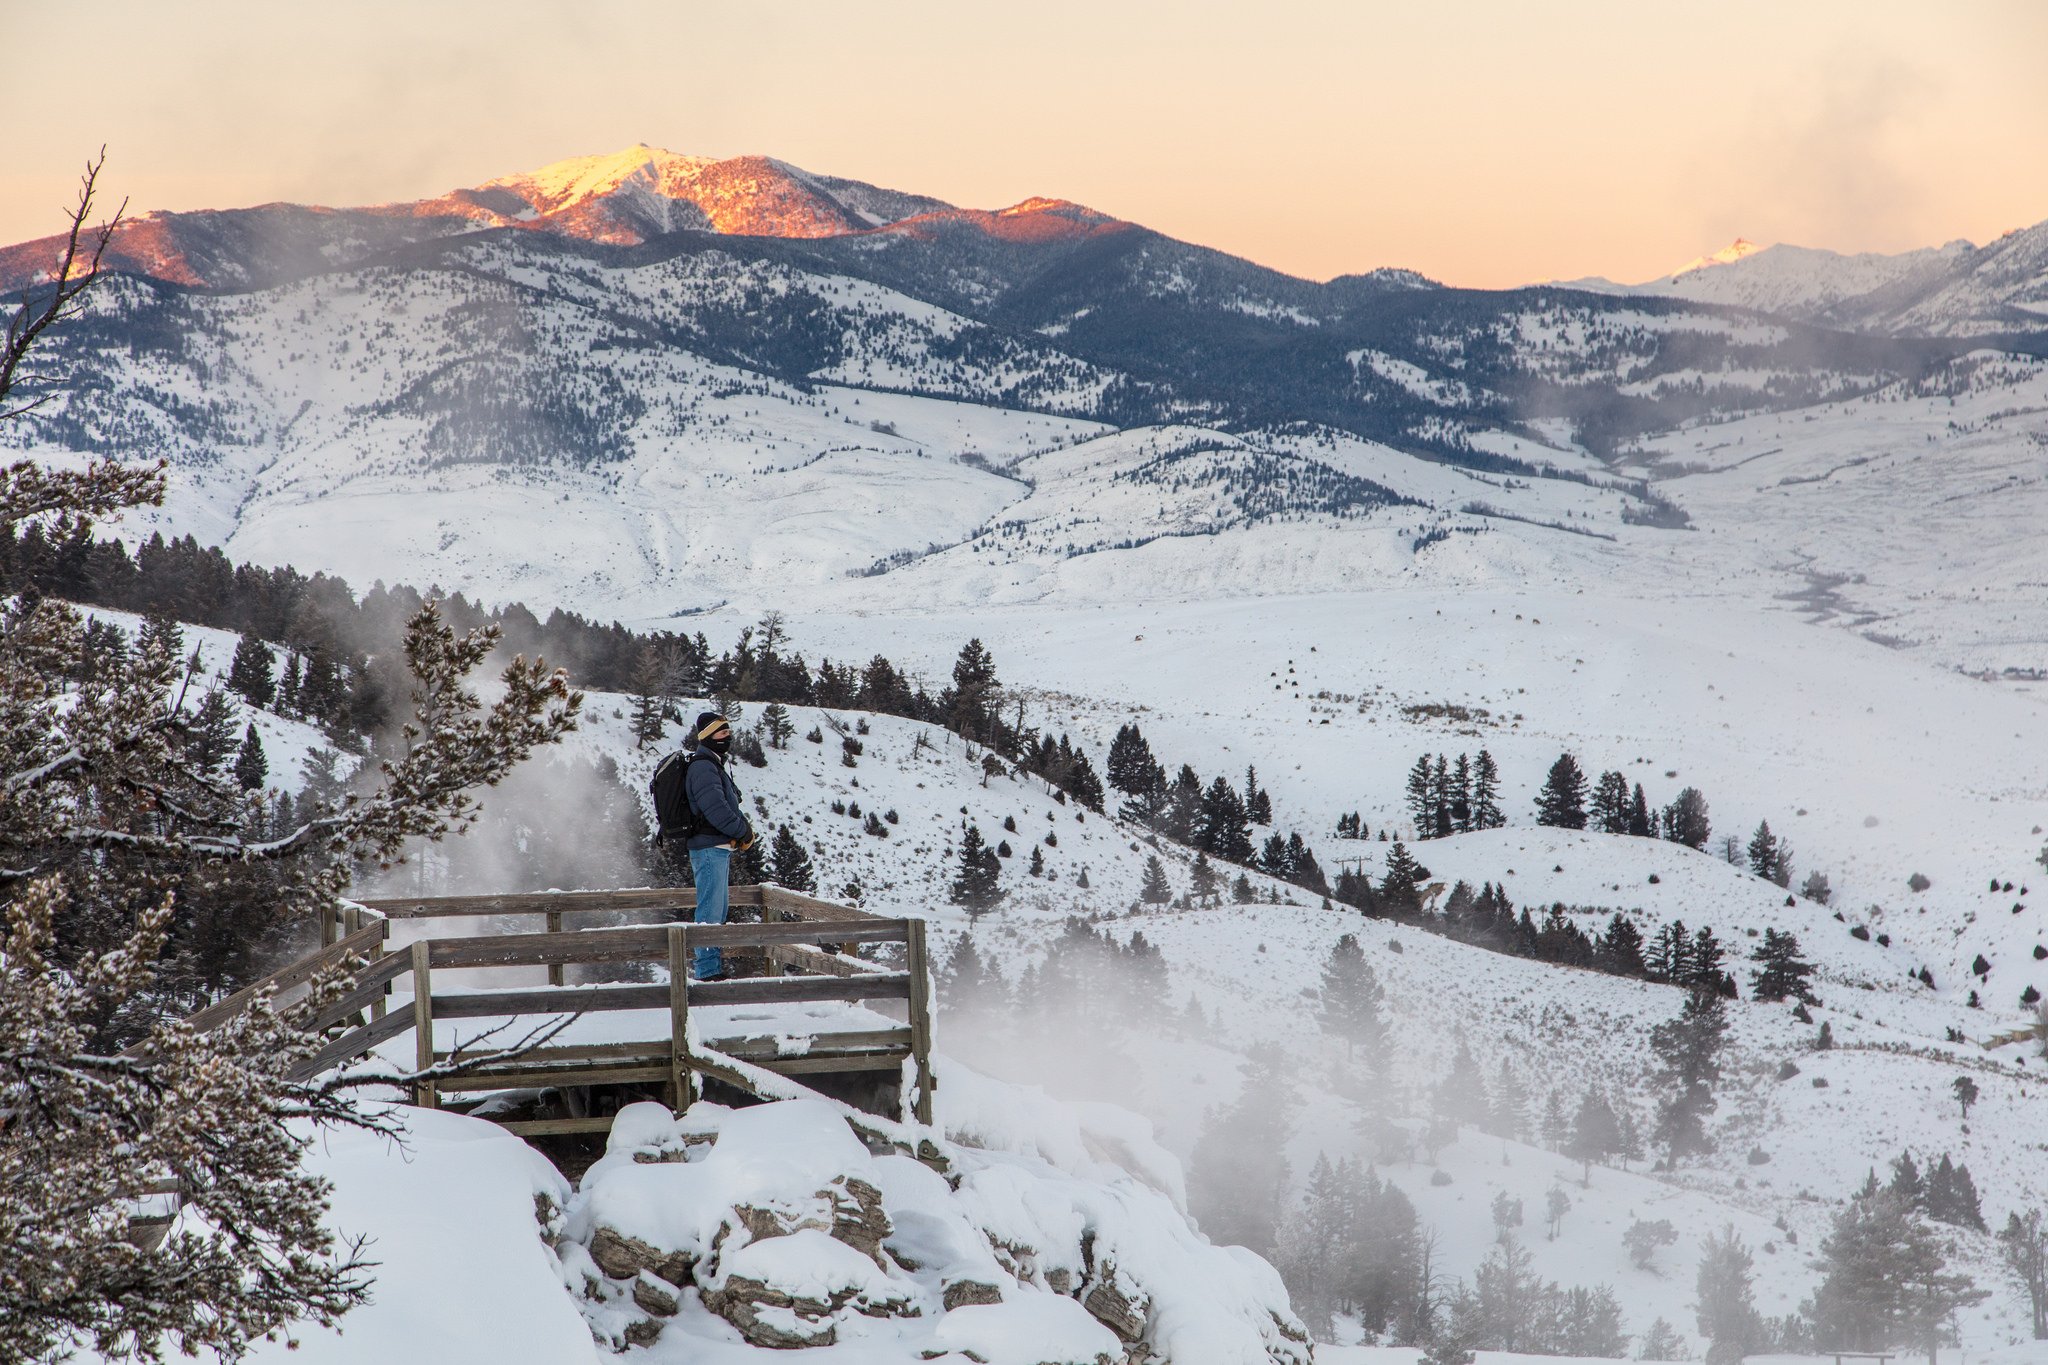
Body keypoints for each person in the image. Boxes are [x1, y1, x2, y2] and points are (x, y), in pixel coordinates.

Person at [681, 711, 754, 981]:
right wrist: (743, 831)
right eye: (722, 733)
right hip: (709, 847)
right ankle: (707, 971)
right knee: (710, 909)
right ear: (708, 737)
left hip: (717, 847)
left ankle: (711, 968)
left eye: (728, 732)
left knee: (717, 909)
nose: (728, 736)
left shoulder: (711, 764)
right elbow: (716, 810)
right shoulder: (703, 767)